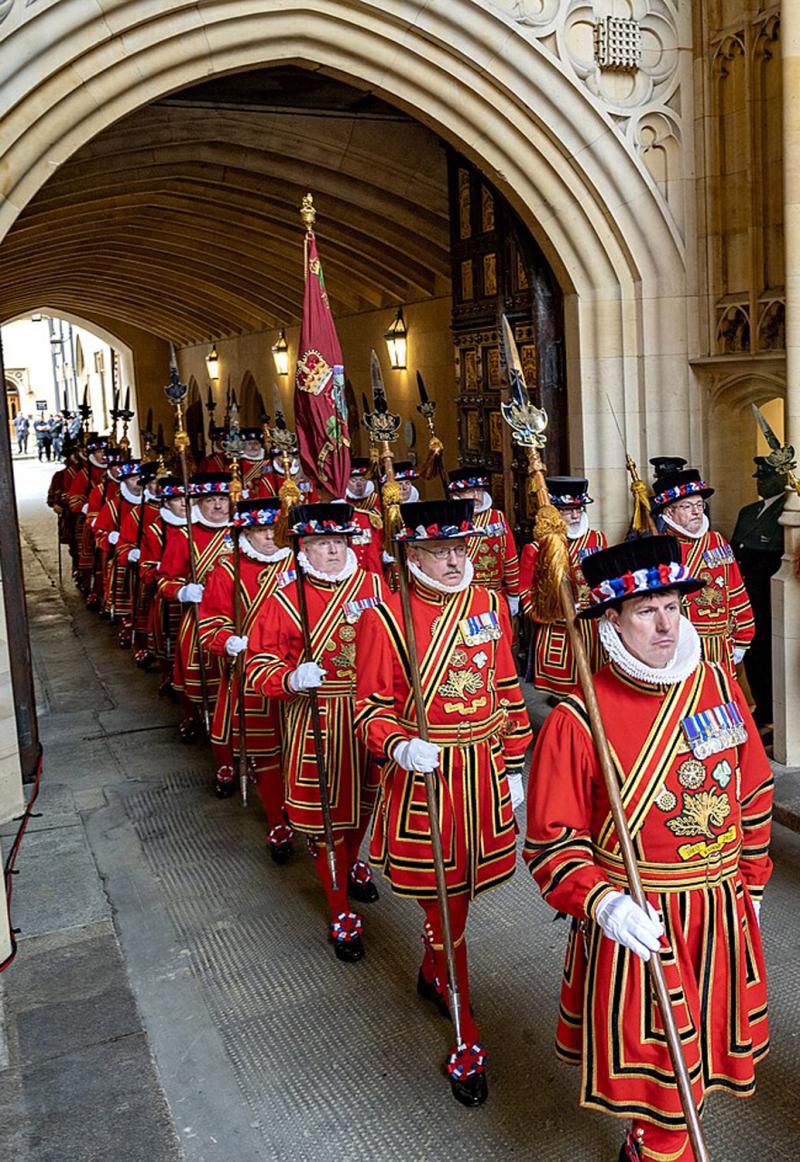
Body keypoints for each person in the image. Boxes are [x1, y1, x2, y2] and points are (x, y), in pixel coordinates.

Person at [524, 535, 772, 1162]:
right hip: (642, 920)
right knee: (665, 1087)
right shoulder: (576, 719)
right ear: (610, 618)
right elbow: (552, 843)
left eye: (673, 605)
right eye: (646, 610)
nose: (667, 624)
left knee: (707, 1061)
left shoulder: (715, 682)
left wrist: (755, 879)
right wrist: (604, 904)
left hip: (720, 912)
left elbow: (753, 787)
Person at [354, 498, 532, 1108]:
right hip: (428, 778)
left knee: (468, 888)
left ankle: (436, 965)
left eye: (461, 549)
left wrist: (513, 764)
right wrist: (398, 745)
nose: (456, 561)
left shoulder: (485, 603)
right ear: (411, 554)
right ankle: (462, 1019)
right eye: (441, 550)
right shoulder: (384, 617)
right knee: (444, 890)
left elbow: (506, 686)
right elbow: (368, 706)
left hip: (481, 769)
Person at [246, 503, 385, 962]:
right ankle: (338, 905)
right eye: (322, 543)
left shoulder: (373, 585)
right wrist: (289, 678)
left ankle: (351, 863)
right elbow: (257, 666)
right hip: (318, 718)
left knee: (366, 803)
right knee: (328, 818)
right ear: (303, 547)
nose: (332, 549)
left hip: (368, 712)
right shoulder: (285, 597)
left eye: (340, 541)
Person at [198, 497, 295, 851]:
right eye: (261, 530)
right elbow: (209, 625)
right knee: (265, 750)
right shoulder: (228, 570)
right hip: (254, 672)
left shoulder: (301, 565)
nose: (270, 537)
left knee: (301, 749)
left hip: (297, 672)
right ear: (246, 533)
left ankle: (303, 812)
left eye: (275, 529)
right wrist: (229, 641)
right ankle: (276, 819)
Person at [652, 467, 754, 675]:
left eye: (700, 505)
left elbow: (735, 589)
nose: (697, 511)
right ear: (669, 512)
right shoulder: (659, 548)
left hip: (721, 644)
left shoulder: (717, 541)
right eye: (687, 506)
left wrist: (743, 637)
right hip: (682, 645)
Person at [157, 472, 232, 744]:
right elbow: (165, 580)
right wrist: (183, 590)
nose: (217, 506)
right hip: (202, 616)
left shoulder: (247, 532)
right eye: (210, 499)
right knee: (202, 679)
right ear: (198, 503)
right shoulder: (184, 535)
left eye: (222, 499)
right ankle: (200, 719)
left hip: (243, 616)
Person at [519, 476, 607, 697]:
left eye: (578, 509)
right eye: (568, 510)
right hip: (558, 628)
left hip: (594, 625)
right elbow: (525, 590)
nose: (576, 515)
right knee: (562, 692)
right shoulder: (537, 548)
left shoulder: (597, 539)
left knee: (599, 683)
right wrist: (546, 615)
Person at [731, 456, 788, 733]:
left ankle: (771, 712)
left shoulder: (788, 510)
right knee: (751, 656)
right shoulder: (748, 511)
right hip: (745, 598)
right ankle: (762, 707)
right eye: (760, 478)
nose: (762, 483)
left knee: (767, 655)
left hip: (768, 598)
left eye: (766, 478)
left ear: (782, 478)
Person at [446, 467, 520, 612]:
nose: (476, 496)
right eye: (469, 491)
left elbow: (510, 559)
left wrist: (513, 594)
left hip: (493, 597)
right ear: (456, 495)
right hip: (459, 597)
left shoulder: (496, 518)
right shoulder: (449, 519)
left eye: (479, 490)